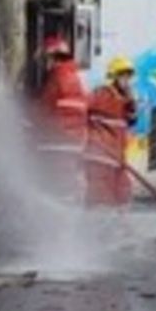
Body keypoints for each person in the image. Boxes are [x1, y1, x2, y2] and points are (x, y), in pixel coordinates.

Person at [86, 56, 138, 207]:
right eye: (123, 75)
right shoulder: (101, 95)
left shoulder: (126, 99)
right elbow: (85, 111)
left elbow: (131, 121)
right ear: (114, 77)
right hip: (101, 154)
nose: (127, 80)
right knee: (100, 195)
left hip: (117, 154)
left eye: (129, 76)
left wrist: (131, 104)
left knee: (123, 191)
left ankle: (116, 222)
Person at [39, 36, 88, 148]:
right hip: (78, 139)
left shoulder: (56, 77)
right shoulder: (77, 76)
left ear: (53, 58)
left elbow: (45, 107)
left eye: (46, 58)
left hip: (57, 137)